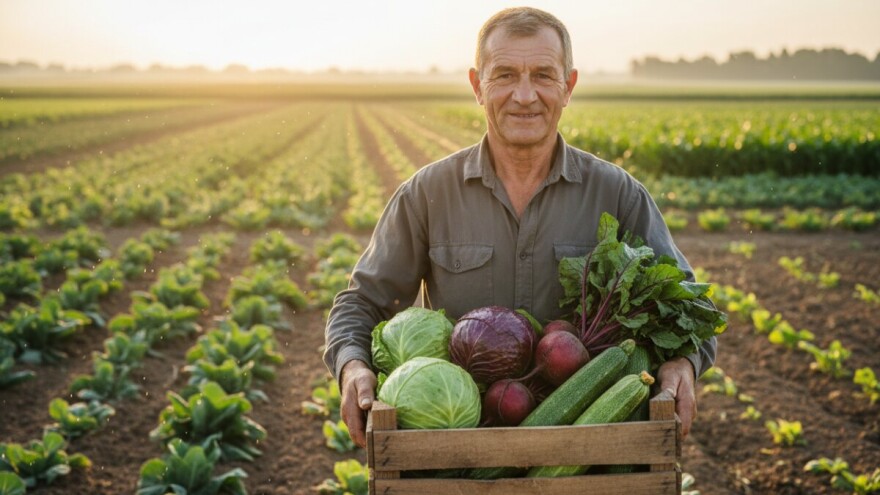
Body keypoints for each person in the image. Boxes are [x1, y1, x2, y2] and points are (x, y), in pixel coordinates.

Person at [324, 6, 716, 449]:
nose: (525, 96)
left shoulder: (618, 194)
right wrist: (353, 365)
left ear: (568, 86)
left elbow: (688, 306)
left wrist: (684, 361)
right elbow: (362, 302)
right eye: (505, 75)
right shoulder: (427, 194)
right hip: (455, 448)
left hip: (589, 446)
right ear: (478, 86)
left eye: (544, 75)